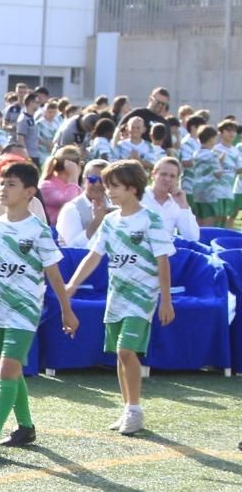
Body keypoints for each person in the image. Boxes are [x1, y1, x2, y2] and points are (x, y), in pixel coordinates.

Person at [0, 161, 76, 458]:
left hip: (25, 308)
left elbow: (53, 273)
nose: (3, 189)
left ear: (30, 192)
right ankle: (26, 427)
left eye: (11, 184)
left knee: (7, 368)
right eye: (1, 183)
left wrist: (66, 309)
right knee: (11, 367)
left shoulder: (38, 230)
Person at [64, 160, 175, 437]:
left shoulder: (150, 219)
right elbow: (93, 256)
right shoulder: (111, 221)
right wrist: (72, 285)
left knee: (126, 350)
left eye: (114, 186)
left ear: (132, 187)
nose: (108, 191)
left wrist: (166, 300)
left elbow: (163, 261)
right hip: (117, 296)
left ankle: (135, 410)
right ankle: (128, 409)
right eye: (107, 185)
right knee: (119, 354)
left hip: (142, 296)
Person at [56, 159, 111, 248]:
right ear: (84, 179)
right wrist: (96, 222)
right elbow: (72, 247)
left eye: (103, 180)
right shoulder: (72, 209)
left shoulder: (115, 206)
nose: (97, 184)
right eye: (92, 179)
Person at [143, 157, 200, 241]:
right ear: (153, 175)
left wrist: (183, 205)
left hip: (166, 248)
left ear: (177, 180)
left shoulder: (177, 203)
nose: (167, 179)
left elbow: (192, 238)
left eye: (172, 176)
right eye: (163, 174)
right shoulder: (138, 197)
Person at [37, 151, 83, 227]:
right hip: (52, 230)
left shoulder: (72, 186)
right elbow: (70, 202)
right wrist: (73, 176)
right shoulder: (46, 186)